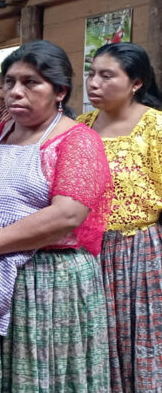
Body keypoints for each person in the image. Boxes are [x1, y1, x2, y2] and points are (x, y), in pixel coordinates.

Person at [0, 41, 113, 391]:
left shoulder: (78, 141)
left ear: (59, 91)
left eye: (31, 82)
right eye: (10, 82)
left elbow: (67, 213)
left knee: (35, 374)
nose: (15, 92)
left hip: (45, 282)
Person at [78, 42, 162, 392]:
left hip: (138, 251)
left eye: (106, 75)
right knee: (95, 340)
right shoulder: (81, 127)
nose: (93, 83)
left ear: (136, 83)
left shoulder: (155, 127)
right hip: (86, 251)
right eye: (91, 74)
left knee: (136, 337)